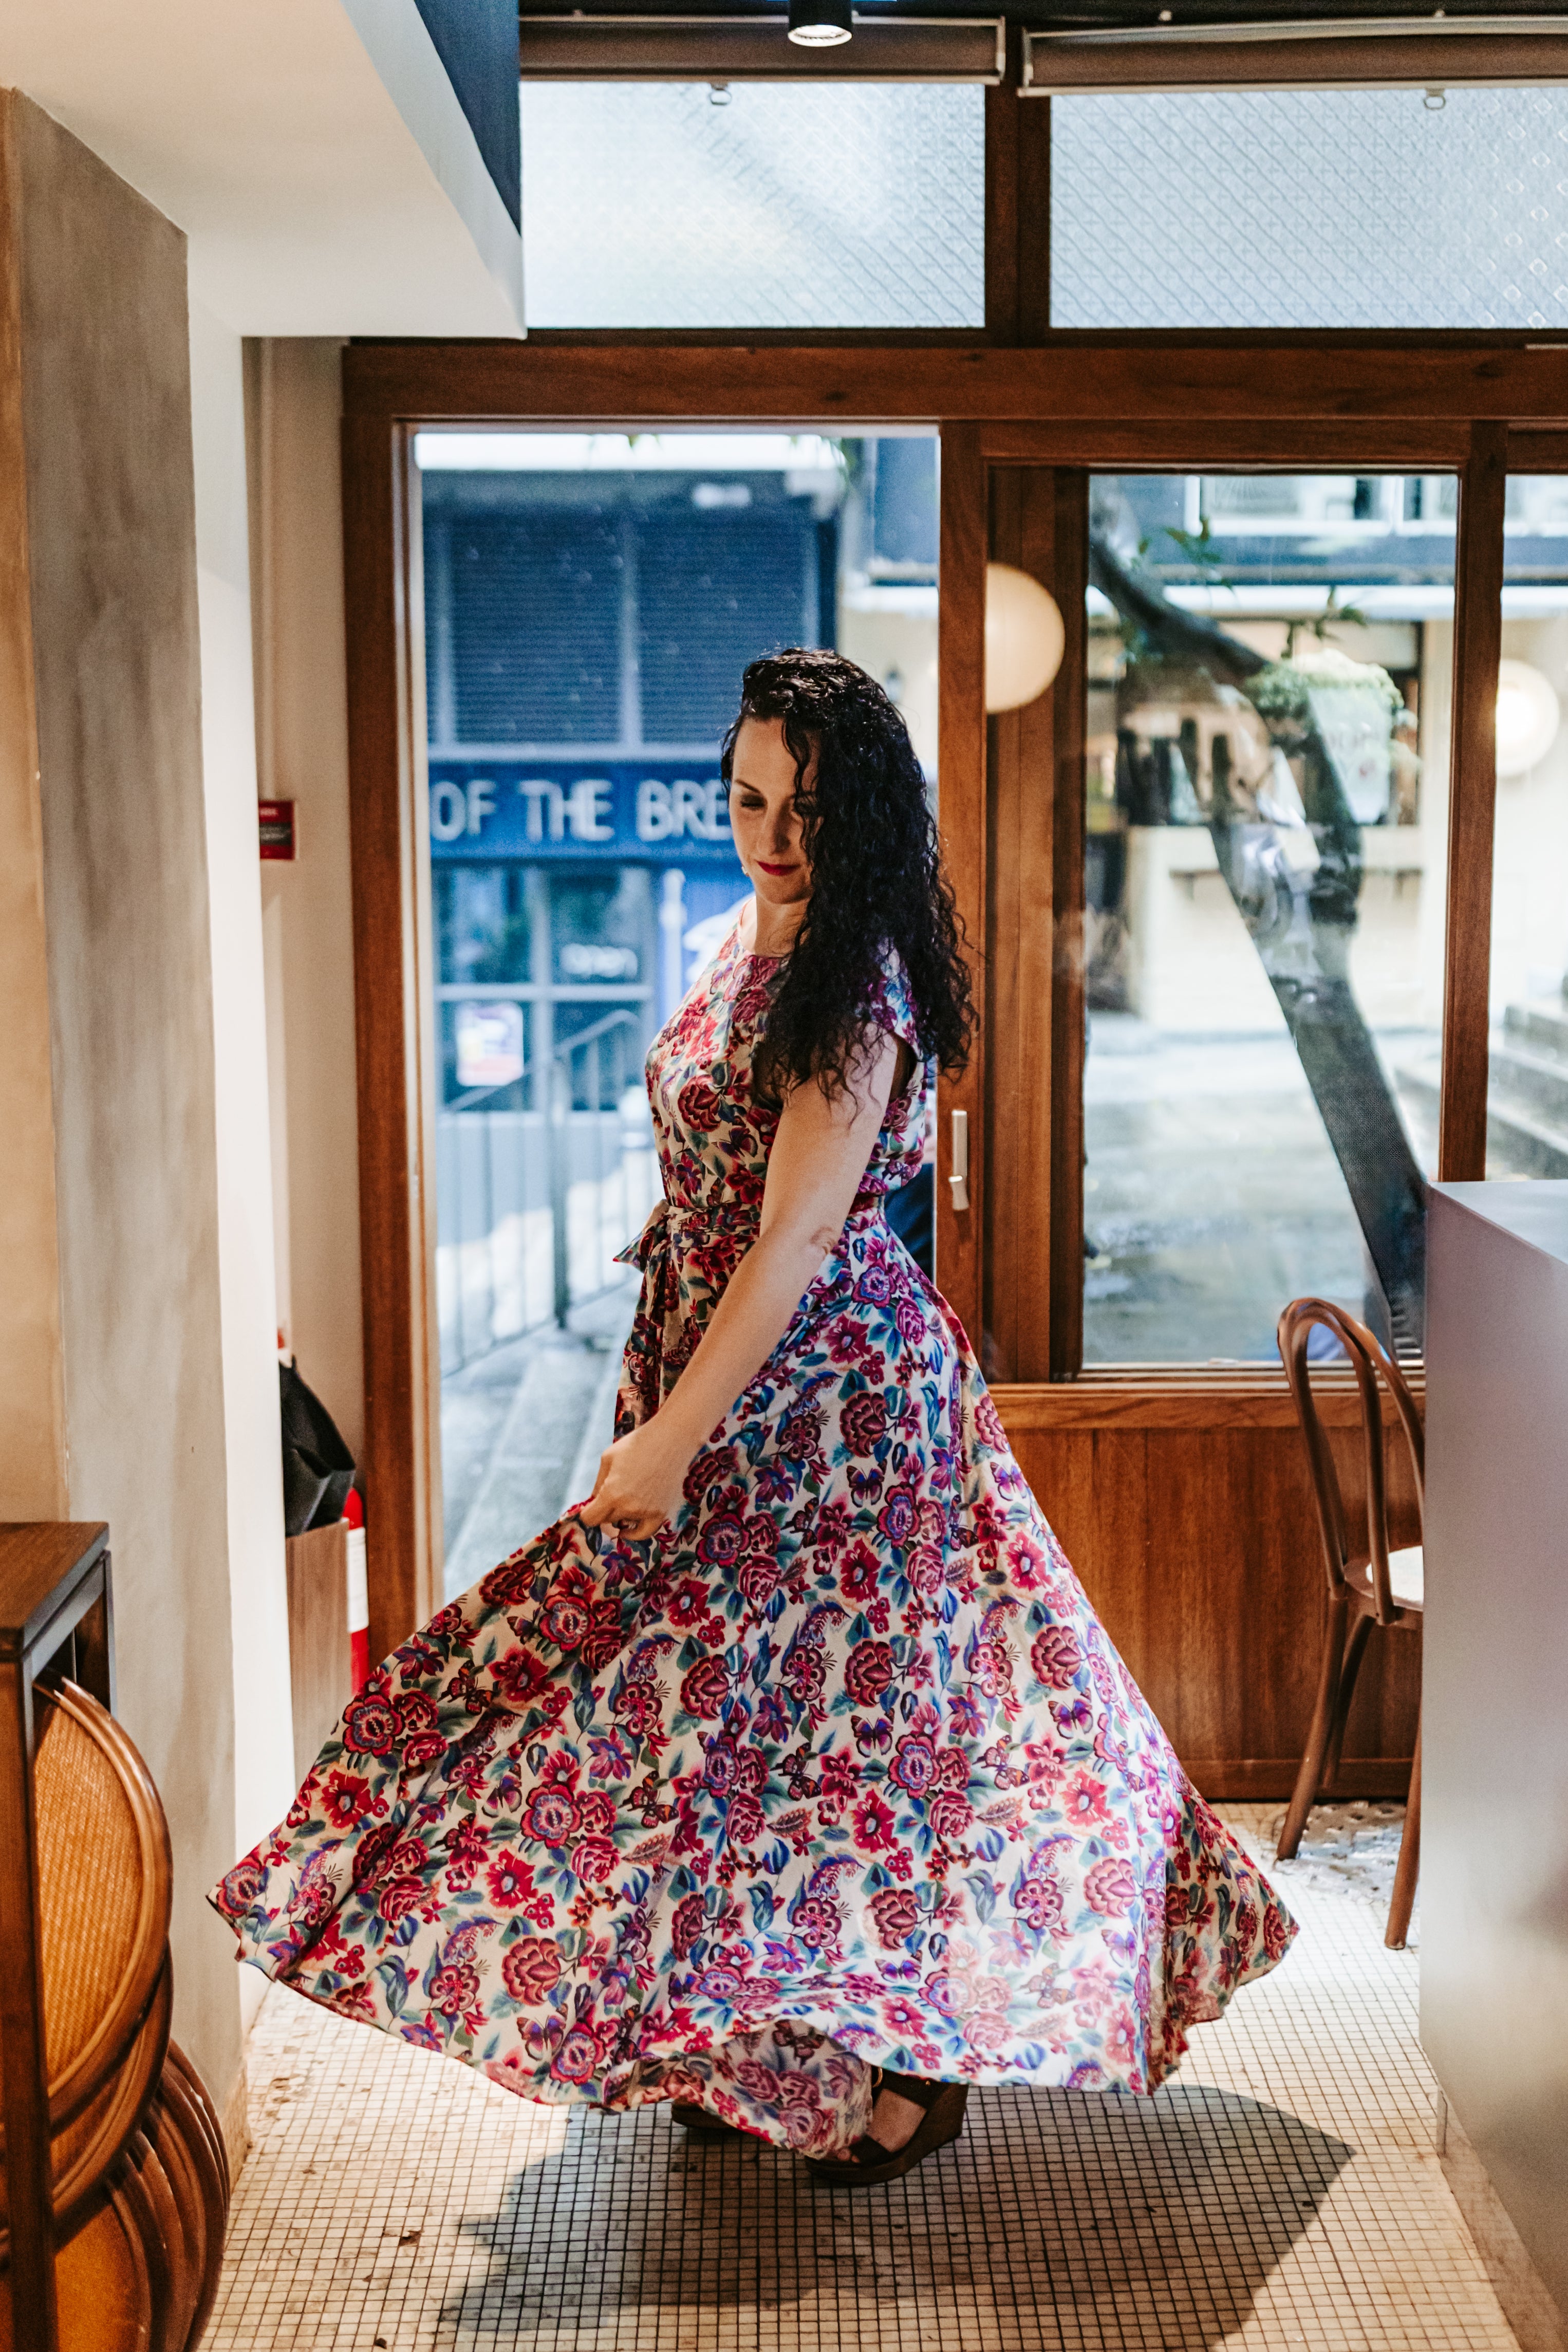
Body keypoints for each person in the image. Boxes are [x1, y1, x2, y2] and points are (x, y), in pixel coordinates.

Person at [214, 650, 1294, 2184]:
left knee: (860, 1742)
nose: (771, 836)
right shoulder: (737, 935)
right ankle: (742, 2041)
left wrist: (663, 1439)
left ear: (863, 818)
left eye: (803, 809)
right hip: (717, 1357)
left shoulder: (856, 980)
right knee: (716, 1740)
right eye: (746, 800)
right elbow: (723, 1164)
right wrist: (667, 1243)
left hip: (832, 1413)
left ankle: (909, 2052)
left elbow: (799, 1237)